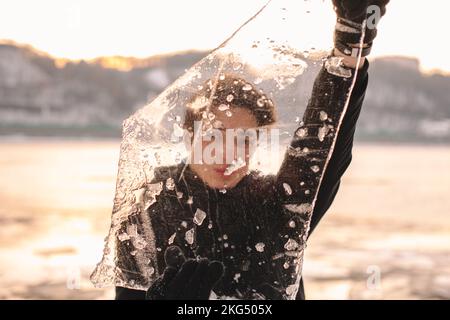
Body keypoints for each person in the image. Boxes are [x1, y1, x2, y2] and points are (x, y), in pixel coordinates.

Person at [114, 0, 389, 300]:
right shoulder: (148, 213)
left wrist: (350, 44)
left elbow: (321, 147)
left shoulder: (274, 205)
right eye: (213, 136)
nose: (227, 153)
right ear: (188, 138)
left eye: (243, 140)